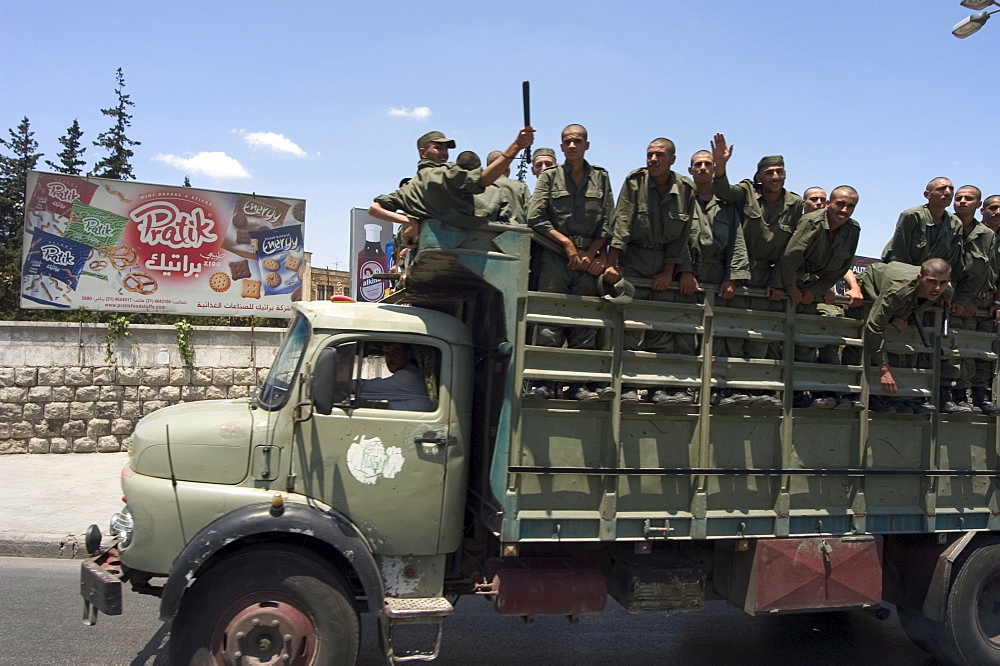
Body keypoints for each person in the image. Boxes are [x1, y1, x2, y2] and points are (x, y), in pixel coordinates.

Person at [603, 138, 701, 405]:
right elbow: (621, 221)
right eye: (649, 155)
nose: (653, 160)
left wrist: (670, 271)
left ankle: (658, 388)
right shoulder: (635, 181)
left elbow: (682, 236)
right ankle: (627, 387)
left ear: (672, 159)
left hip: (663, 260)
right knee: (630, 326)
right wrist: (613, 263)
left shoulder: (685, 188)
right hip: (635, 257)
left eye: (659, 155)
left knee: (661, 327)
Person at [710, 133, 803, 407]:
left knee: (763, 336)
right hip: (739, 270)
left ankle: (758, 390)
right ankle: (728, 390)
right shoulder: (747, 192)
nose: (775, 176)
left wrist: (778, 282)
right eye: (769, 172)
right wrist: (720, 165)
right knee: (733, 332)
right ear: (759, 176)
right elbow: (723, 192)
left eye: (779, 171)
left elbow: (792, 250)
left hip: (769, 276)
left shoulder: (795, 204)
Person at [526, 124, 615, 401]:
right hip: (555, 256)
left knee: (585, 321)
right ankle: (545, 383)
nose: (572, 146)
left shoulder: (600, 177)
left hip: (589, 260)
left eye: (577, 141)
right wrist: (566, 244)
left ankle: (580, 385)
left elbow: (607, 221)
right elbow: (535, 217)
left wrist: (593, 253)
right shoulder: (551, 177)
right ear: (562, 147)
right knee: (550, 321)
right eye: (567, 142)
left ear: (587, 145)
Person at [368, 126, 535, 239]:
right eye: (438, 148)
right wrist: (516, 146)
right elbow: (484, 180)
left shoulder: (410, 187)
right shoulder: (445, 173)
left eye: (446, 149)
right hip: (475, 242)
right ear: (423, 152)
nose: (444, 153)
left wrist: (410, 222)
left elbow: (374, 209)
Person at [778, 186, 862, 408]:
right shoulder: (812, 222)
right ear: (829, 204)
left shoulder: (853, 230)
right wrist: (793, 289)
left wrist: (814, 291)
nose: (844, 210)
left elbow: (841, 267)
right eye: (840, 204)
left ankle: (824, 392)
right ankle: (797, 393)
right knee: (796, 340)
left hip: (813, 290)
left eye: (850, 206)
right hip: (788, 284)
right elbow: (789, 258)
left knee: (819, 337)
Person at [687, 149, 751, 406]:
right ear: (690, 170)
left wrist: (732, 278)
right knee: (687, 331)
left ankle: (719, 390)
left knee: (721, 334)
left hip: (718, 274)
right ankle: (686, 389)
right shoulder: (683, 199)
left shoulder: (727, 208)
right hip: (689, 274)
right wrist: (684, 271)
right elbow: (677, 238)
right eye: (698, 164)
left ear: (714, 170)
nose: (703, 168)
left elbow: (737, 242)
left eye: (708, 164)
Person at [845, 259, 952, 409]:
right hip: (872, 288)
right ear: (920, 278)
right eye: (932, 282)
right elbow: (874, 327)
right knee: (863, 339)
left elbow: (941, 295)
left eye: (943, 283)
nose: (937, 288)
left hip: (901, 298)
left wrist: (904, 314)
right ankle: (855, 395)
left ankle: (894, 398)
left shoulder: (946, 290)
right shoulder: (897, 291)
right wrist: (884, 369)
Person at [944, 186, 996, 413]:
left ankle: (981, 397)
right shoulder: (947, 227)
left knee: (984, 353)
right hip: (956, 301)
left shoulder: (988, 237)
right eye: (959, 198)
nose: (963, 202)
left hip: (984, 303)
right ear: (983, 209)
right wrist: (962, 299)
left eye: (968, 198)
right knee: (957, 350)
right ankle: (956, 396)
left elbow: (991, 272)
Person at [357, 343, 433, 411]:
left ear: (408, 355)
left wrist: (345, 385)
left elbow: (365, 387)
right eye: (387, 353)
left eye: (396, 352)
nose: (390, 357)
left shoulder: (408, 377)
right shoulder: (412, 373)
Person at [486, 149, 532, 224]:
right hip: (519, 232)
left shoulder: (482, 187)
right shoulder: (521, 187)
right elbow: (531, 213)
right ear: (507, 169)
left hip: (491, 233)